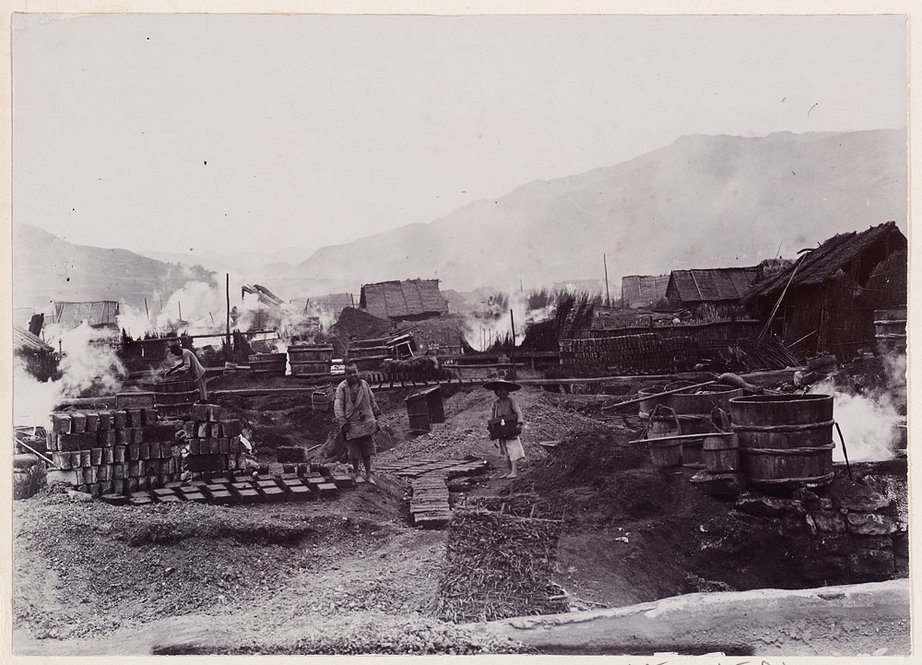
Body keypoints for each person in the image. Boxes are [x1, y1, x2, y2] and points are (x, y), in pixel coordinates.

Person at [334, 363, 382, 485]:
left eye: (354, 372)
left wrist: (376, 413)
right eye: (349, 373)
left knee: (367, 451)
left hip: (366, 422)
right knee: (354, 452)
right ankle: (356, 473)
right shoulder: (342, 388)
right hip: (352, 423)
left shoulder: (364, 385)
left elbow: (372, 399)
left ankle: (368, 474)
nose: (353, 375)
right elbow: (338, 405)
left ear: (357, 372)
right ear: (346, 375)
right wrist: (343, 421)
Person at [485, 379, 525, 479]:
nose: (501, 392)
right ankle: (509, 470)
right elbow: (491, 415)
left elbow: (518, 412)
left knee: (513, 449)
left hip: (511, 427)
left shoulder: (511, 401)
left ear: (507, 391)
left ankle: (514, 471)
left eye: (503, 390)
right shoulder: (495, 403)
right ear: (496, 393)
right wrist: (490, 426)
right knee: (505, 451)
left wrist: (519, 423)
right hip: (500, 428)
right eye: (499, 390)